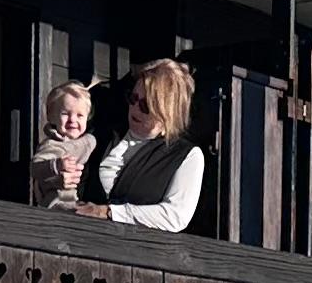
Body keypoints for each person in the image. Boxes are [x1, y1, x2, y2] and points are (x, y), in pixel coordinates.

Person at [64, 59, 205, 231]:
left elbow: (175, 216)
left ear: (166, 111)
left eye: (146, 106)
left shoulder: (186, 155)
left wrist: (109, 212)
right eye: (133, 98)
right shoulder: (102, 136)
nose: (135, 108)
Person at [27, 75, 98, 206]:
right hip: (56, 202)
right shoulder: (52, 145)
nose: (73, 120)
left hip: (78, 201)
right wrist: (56, 165)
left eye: (80, 115)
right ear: (51, 116)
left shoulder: (88, 141)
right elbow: (34, 168)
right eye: (65, 114)